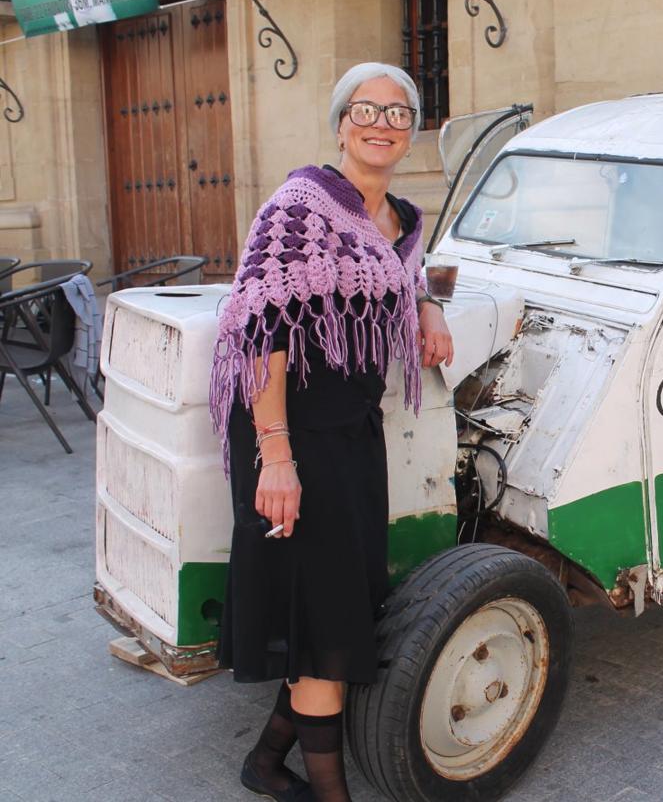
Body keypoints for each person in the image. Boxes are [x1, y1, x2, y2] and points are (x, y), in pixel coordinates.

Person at [209, 62, 454, 801]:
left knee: (339, 609)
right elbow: (262, 333)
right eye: (365, 109)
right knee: (323, 626)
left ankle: (262, 765)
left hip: (353, 434)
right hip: (292, 433)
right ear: (340, 123)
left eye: (398, 112)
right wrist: (276, 458)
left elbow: (407, 271)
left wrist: (430, 308)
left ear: (411, 130)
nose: (381, 123)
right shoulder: (299, 207)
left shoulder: (401, 220)